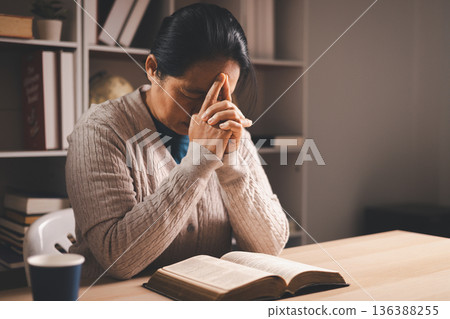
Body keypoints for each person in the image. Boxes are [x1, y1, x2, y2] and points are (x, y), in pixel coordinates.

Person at [66, 3, 289, 280]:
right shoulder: (100, 130)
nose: (204, 112)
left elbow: (270, 247)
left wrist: (230, 165)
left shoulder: (227, 126)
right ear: (152, 68)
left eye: (221, 95)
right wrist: (199, 164)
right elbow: (117, 259)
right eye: (192, 93)